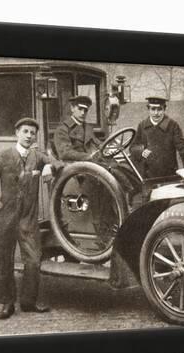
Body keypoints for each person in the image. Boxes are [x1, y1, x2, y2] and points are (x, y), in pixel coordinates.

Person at [0, 117, 63, 320]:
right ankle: (7, 304)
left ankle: (29, 302)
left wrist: (50, 167)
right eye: (25, 132)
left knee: (33, 261)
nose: (29, 136)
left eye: (32, 133)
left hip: (28, 219)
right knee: (5, 262)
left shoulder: (37, 157)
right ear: (17, 133)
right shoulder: (4, 156)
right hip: (5, 217)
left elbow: (58, 162)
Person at [53, 95, 131, 289]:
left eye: (85, 109)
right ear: (72, 108)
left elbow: (98, 144)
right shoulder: (62, 129)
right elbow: (64, 153)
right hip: (79, 173)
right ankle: (110, 229)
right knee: (112, 173)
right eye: (80, 109)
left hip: (92, 168)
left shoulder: (88, 128)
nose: (83, 112)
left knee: (123, 168)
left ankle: (126, 209)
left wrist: (112, 149)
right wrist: (88, 157)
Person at [132, 96, 184, 178]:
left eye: (159, 109)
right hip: (147, 176)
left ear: (164, 109)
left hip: (169, 175)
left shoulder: (172, 125)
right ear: (148, 109)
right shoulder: (142, 125)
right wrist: (141, 151)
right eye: (153, 109)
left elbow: (183, 149)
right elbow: (133, 147)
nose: (156, 113)